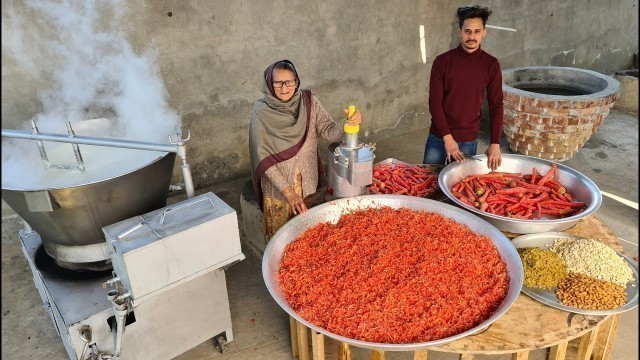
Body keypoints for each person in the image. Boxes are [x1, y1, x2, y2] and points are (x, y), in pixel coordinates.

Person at [249, 59, 362, 239]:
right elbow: (264, 159)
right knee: (282, 240)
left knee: (309, 237)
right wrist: (289, 193)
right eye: (278, 82)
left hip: (309, 184)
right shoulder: (261, 111)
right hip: (278, 192)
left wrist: (347, 124)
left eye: (289, 81)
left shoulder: (309, 102)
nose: (284, 88)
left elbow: (328, 131)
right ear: (270, 83)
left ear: (296, 81)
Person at [422, 5, 503, 171]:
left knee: (459, 187)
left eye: (477, 31)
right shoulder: (442, 61)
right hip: (439, 136)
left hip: (468, 139)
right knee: (426, 182)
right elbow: (434, 102)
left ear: (484, 33)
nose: (471, 36)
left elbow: (496, 104)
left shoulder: (491, 64)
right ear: (459, 31)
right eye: (467, 31)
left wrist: (495, 143)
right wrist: (448, 138)